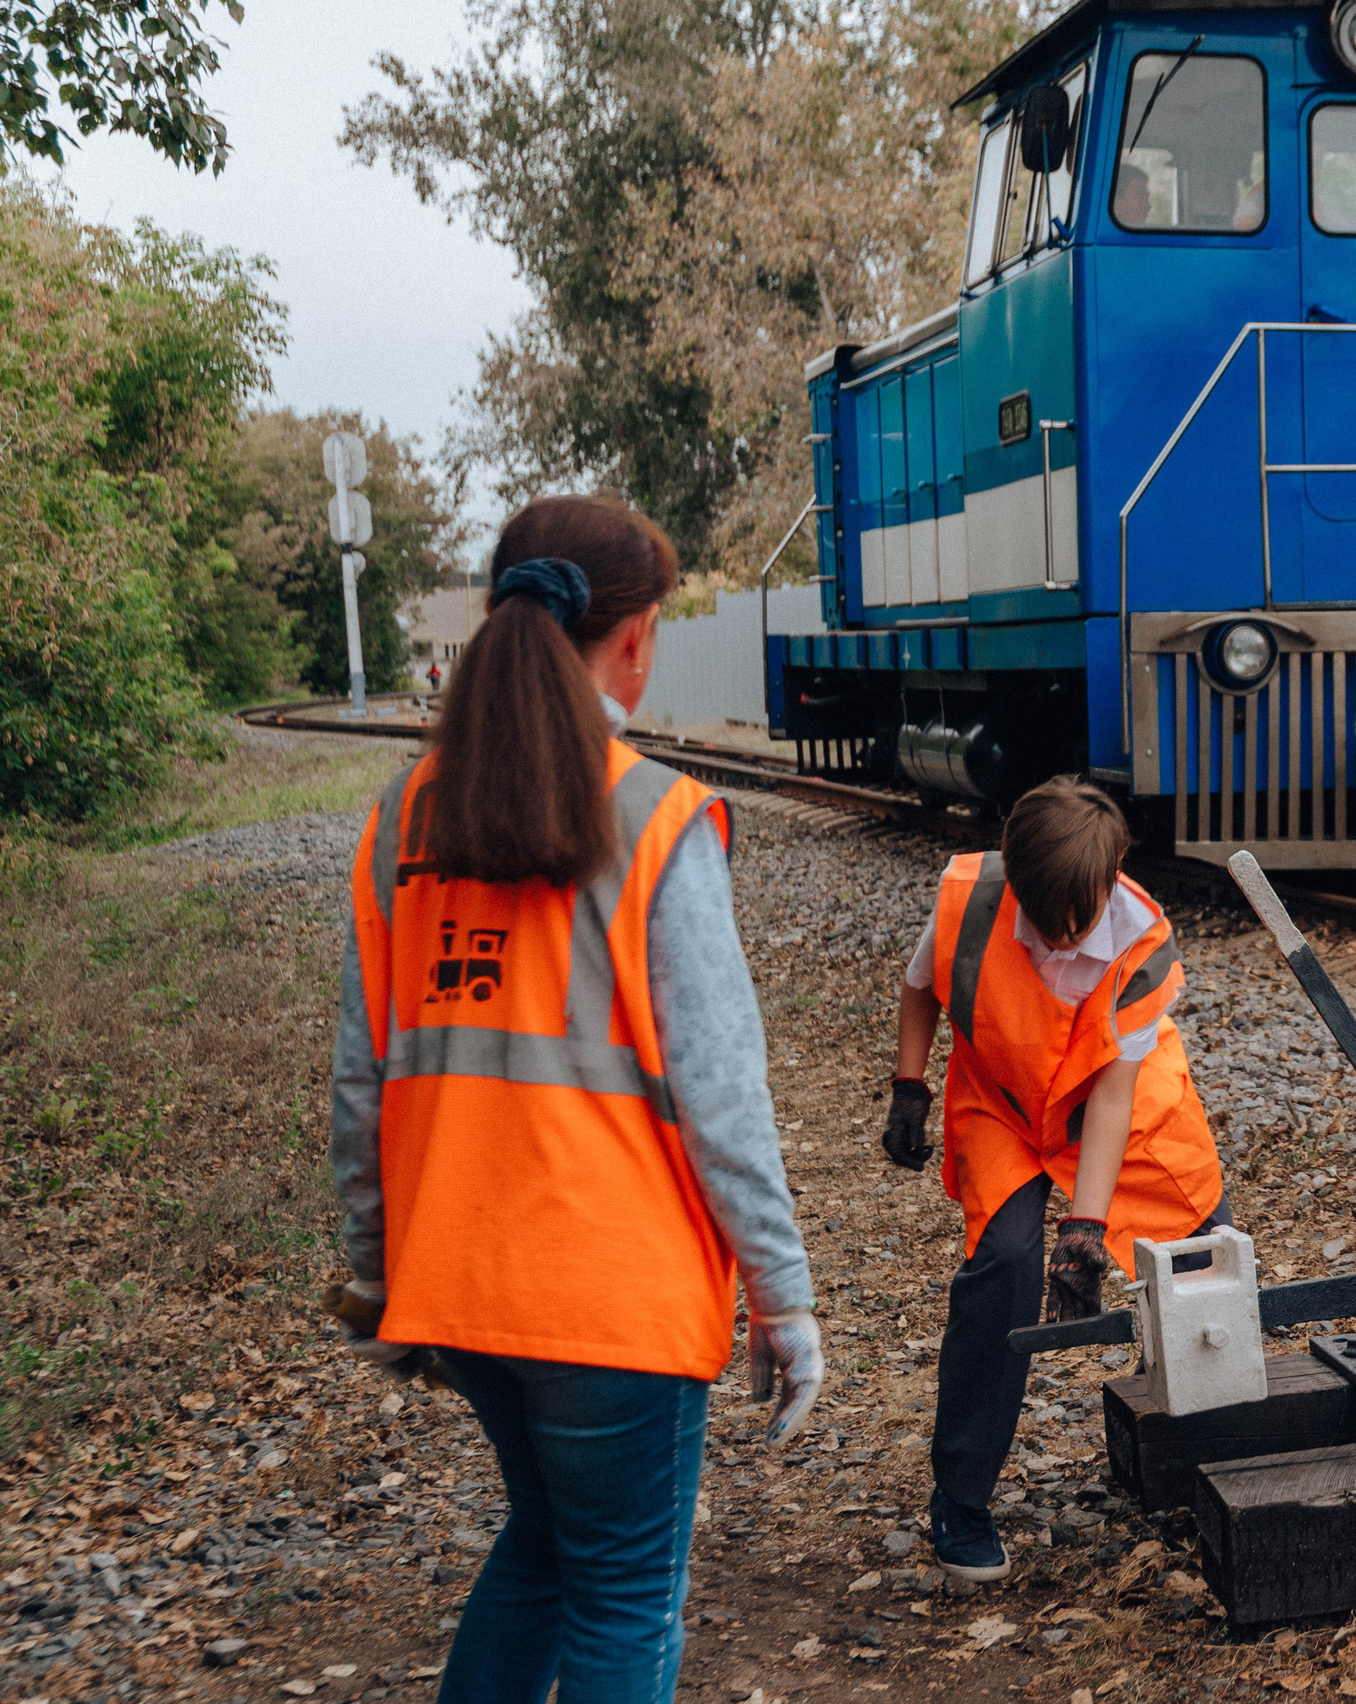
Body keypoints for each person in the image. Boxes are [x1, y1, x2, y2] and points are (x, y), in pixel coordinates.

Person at [328, 494, 822, 1702]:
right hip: (609, 1302)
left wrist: (378, 1271)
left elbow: (361, 1078)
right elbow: (720, 1091)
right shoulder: (653, 817)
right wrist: (783, 1295)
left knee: (549, 1548)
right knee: (622, 1598)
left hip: (459, 1287)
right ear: (635, 639)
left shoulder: (402, 819)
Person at [885, 778, 1224, 1582]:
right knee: (1004, 1263)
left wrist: (1085, 1228)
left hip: (1105, 1102)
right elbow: (920, 986)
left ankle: (1202, 1447)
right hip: (1003, 1098)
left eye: (1082, 921)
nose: (1067, 937)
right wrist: (910, 1086)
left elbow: (1112, 1096)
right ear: (1015, 881)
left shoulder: (1142, 941)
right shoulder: (968, 898)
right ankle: (961, 1497)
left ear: (1111, 879)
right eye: (1048, 923)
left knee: (1200, 1236)